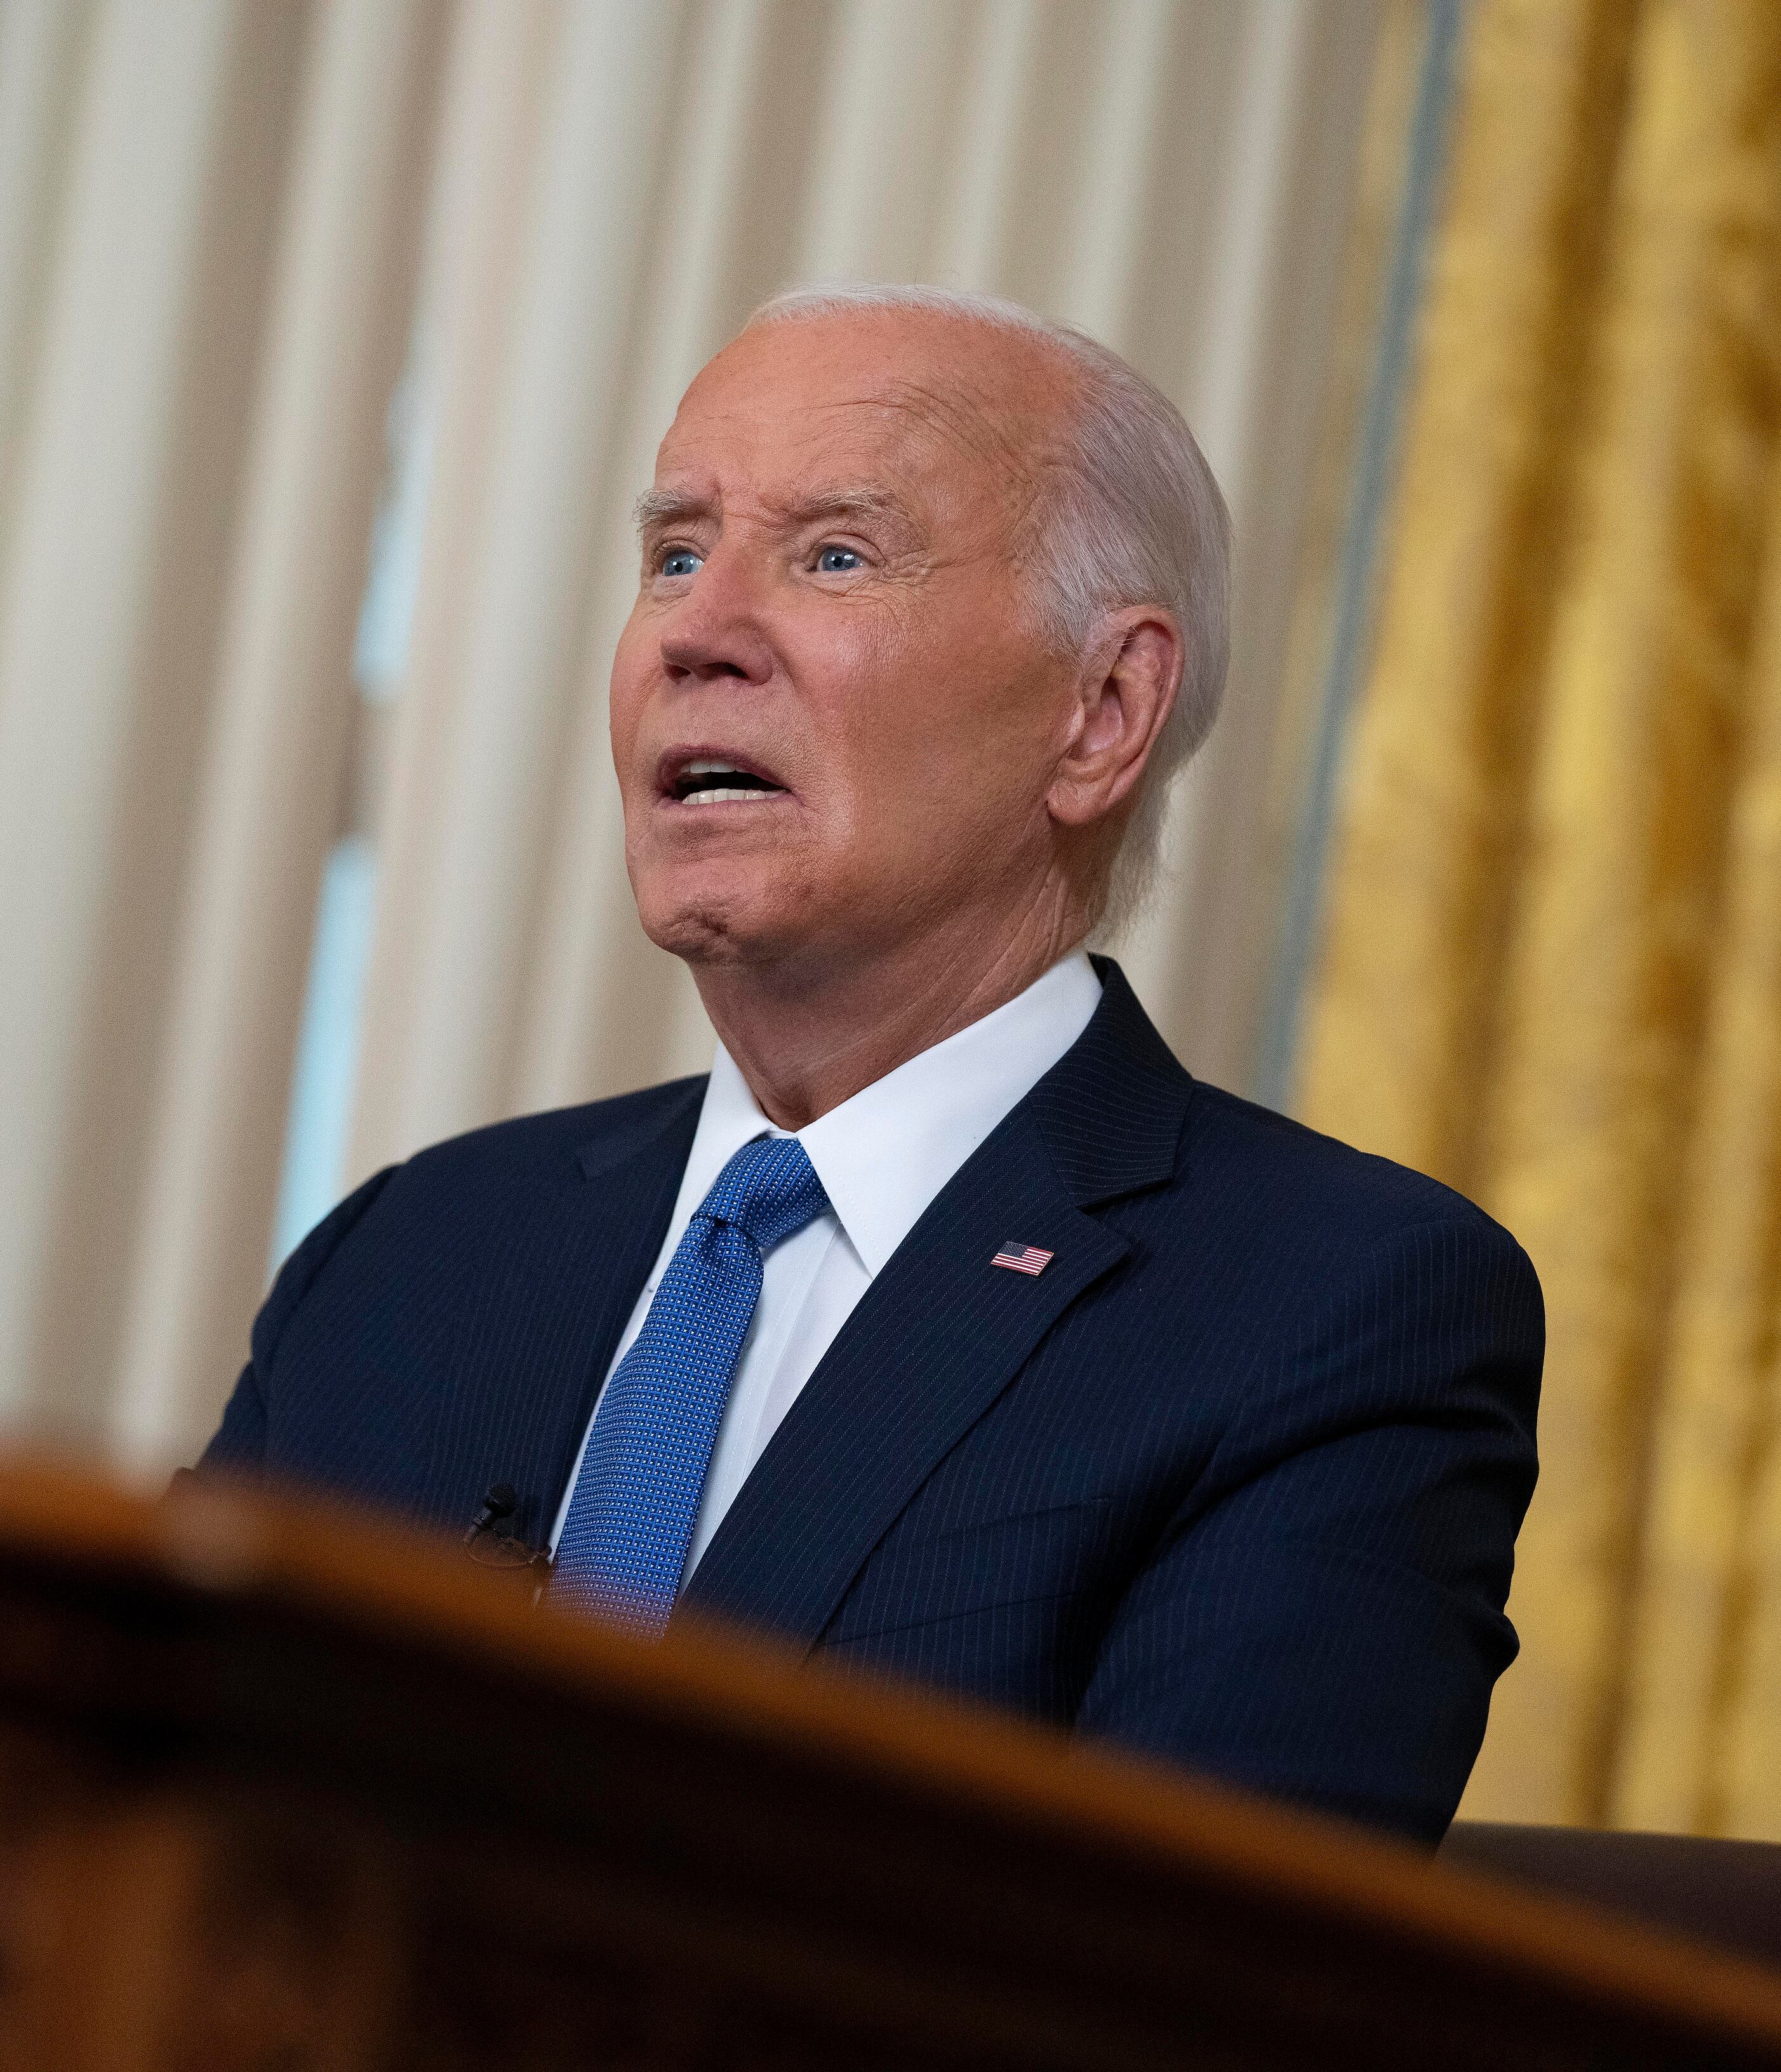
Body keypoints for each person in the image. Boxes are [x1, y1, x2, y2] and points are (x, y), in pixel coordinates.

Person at [200, 284, 1541, 1845]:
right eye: (675, 556)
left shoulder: (1326, 1316)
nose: (700, 633)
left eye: (836, 555)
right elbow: (107, 1831)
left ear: (1103, 713)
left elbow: (1174, 2005)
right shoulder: (416, 1250)